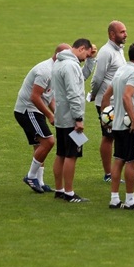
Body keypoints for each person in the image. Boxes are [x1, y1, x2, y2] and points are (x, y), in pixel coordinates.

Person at [90, 20, 134, 182]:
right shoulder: (106, 52)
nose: (125, 34)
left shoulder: (119, 50)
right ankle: (109, 174)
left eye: (125, 31)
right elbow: (98, 78)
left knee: (121, 135)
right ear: (112, 34)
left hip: (118, 100)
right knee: (108, 136)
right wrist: (94, 96)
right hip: (108, 103)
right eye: (122, 32)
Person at [101, 41, 134, 211]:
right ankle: (130, 201)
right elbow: (126, 97)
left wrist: (105, 118)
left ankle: (114, 199)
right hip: (130, 126)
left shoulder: (120, 70)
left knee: (118, 161)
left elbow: (106, 96)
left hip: (116, 125)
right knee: (132, 161)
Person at [16, 43, 70, 194]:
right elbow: (35, 97)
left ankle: (39, 182)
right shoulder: (45, 71)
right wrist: (50, 115)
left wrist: (57, 114)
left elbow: (49, 96)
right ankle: (31, 176)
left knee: (39, 146)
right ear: (59, 56)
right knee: (48, 141)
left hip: (31, 110)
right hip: (27, 110)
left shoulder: (56, 69)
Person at [51, 38, 95, 202]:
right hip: (70, 118)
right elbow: (74, 93)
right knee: (71, 155)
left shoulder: (61, 63)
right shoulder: (70, 66)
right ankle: (69, 193)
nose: (86, 57)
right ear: (82, 48)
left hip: (61, 116)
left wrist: (91, 60)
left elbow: (80, 78)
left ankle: (59, 189)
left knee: (61, 153)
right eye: (87, 53)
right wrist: (78, 118)